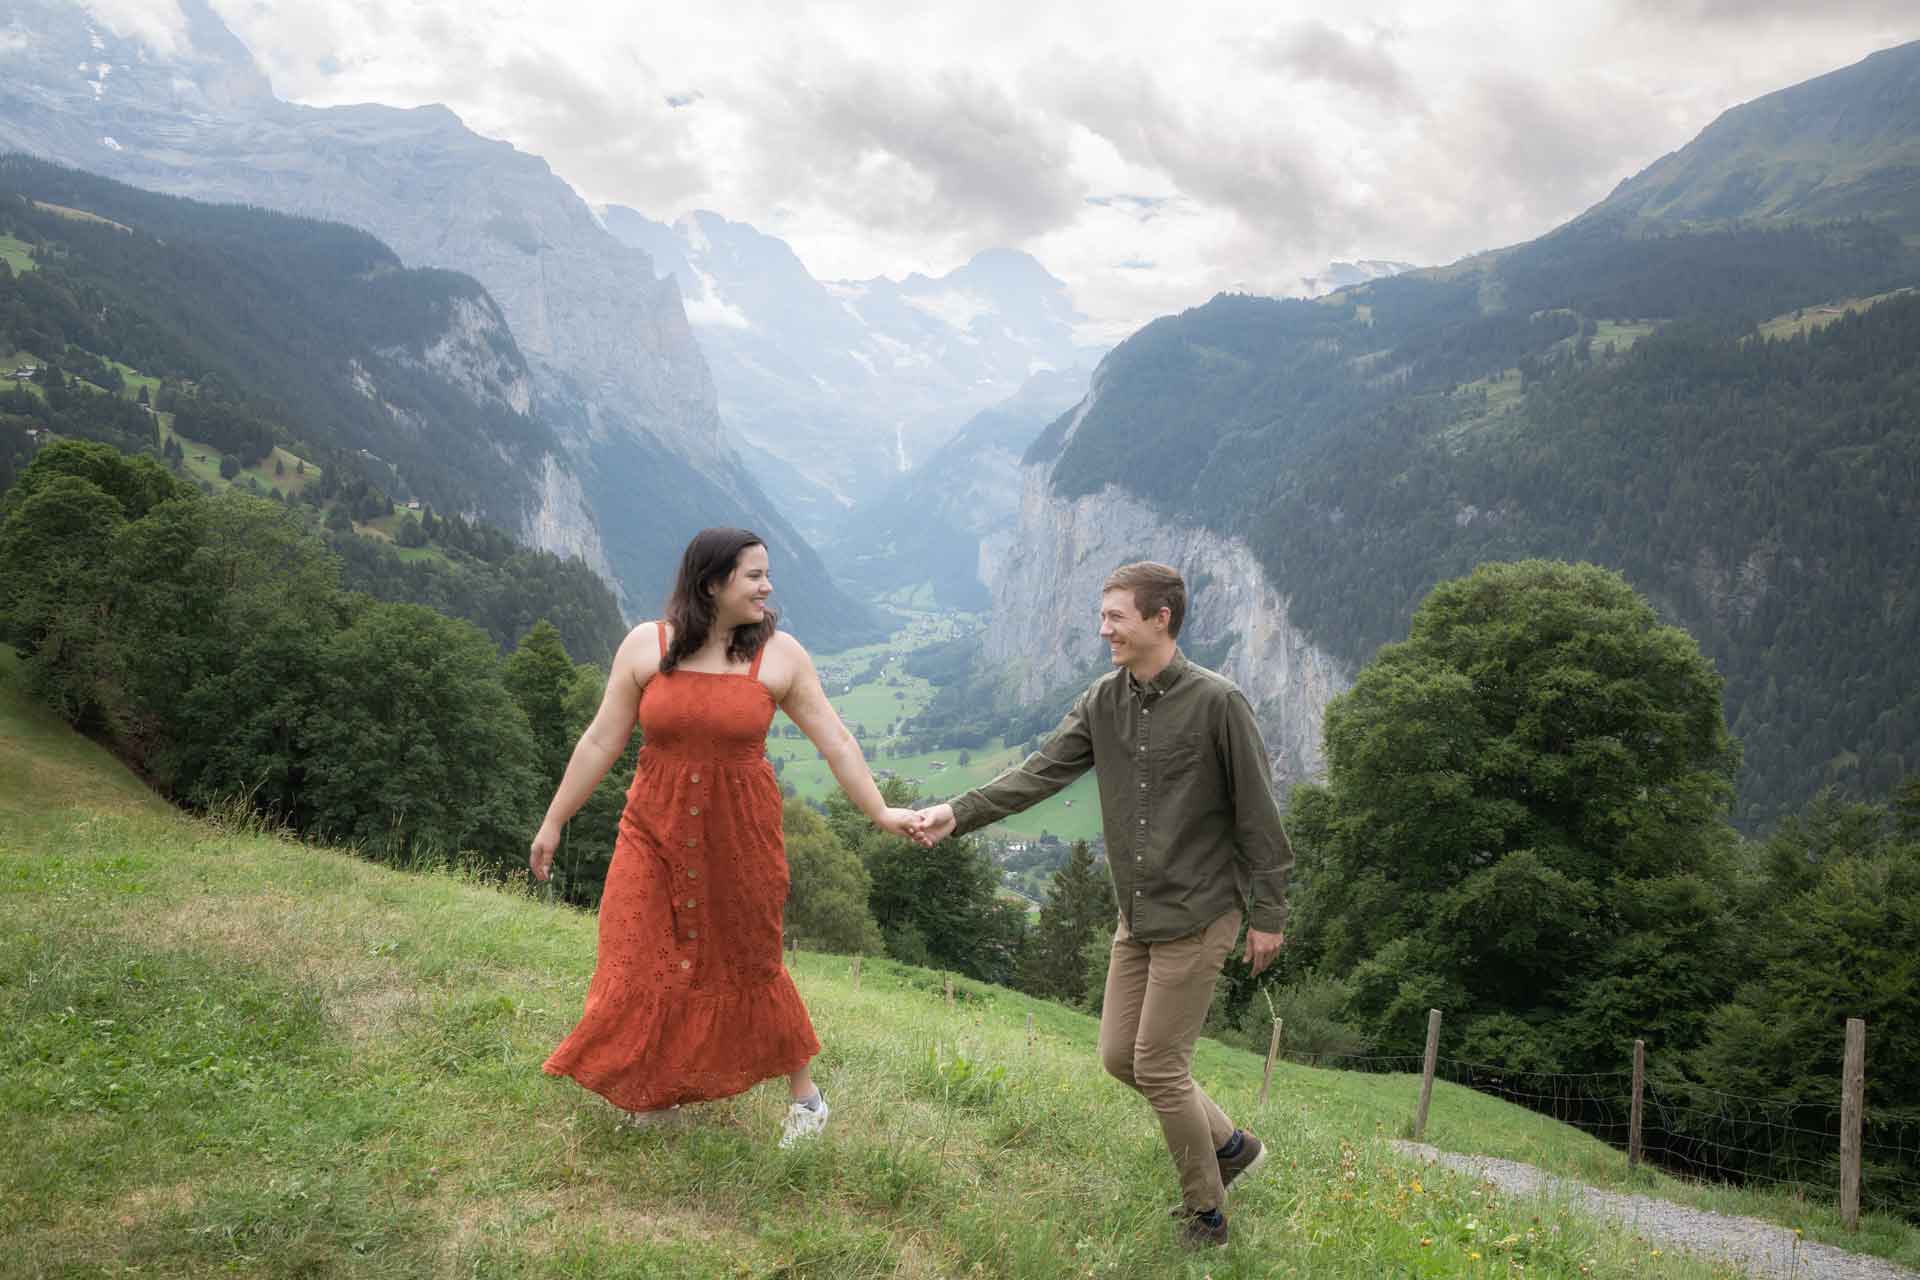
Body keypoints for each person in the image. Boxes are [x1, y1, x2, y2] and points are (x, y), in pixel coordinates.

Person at [910, 561, 1292, 1248]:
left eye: (1115, 615)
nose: (1102, 628)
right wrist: (955, 813)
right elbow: (1038, 772)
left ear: (1160, 619)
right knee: (1120, 1056)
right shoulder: (1102, 702)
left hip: (1201, 912)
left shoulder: (1219, 704)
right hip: (1138, 913)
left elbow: (1261, 818)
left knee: (1160, 1067)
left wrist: (1270, 915)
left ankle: (1206, 1216)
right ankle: (1232, 1147)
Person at [532, 527, 918, 1146]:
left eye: (767, 575)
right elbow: (601, 740)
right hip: (651, 830)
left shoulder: (781, 656)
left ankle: (807, 1101)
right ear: (712, 583)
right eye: (755, 576)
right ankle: (655, 1091)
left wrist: (881, 812)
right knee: (634, 950)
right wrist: (554, 819)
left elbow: (836, 741)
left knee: (749, 960)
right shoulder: (645, 647)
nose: (769, 587)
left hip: (739, 837)